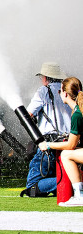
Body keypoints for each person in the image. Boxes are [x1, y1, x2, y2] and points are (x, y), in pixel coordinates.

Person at [22, 62, 72, 197]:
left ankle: (72, 182)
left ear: (45, 77)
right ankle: (72, 181)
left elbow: (28, 115)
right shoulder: (67, 91)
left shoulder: (43, 91)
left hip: (49, 145)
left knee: (32, 187)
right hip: (67, 143)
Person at [38, 77, 83, 206]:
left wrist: (47, 145)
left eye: (59, 91)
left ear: (65, 94)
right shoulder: (78, 111)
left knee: (66, 155)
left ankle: (79, 195)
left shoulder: (77, 114)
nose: (59, 94)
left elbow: (70, 145)